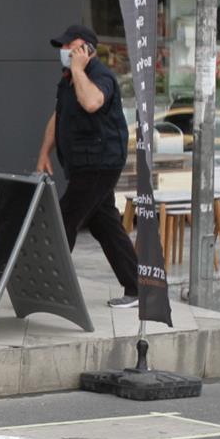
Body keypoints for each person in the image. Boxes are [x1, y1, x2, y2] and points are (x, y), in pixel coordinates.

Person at [34, 23, 139, 309]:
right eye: (64, 47)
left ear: (87, 49)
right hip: (82, 165)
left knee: (65, 219)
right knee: (105, 225)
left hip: (100, 163)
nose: (65, 51)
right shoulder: (68, 79)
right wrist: (45, 151)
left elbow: (92, 103)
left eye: (71, 46)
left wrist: (80, 70)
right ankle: (137, 286)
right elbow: (59, 116)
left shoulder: (99, 76)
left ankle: (50, 286)